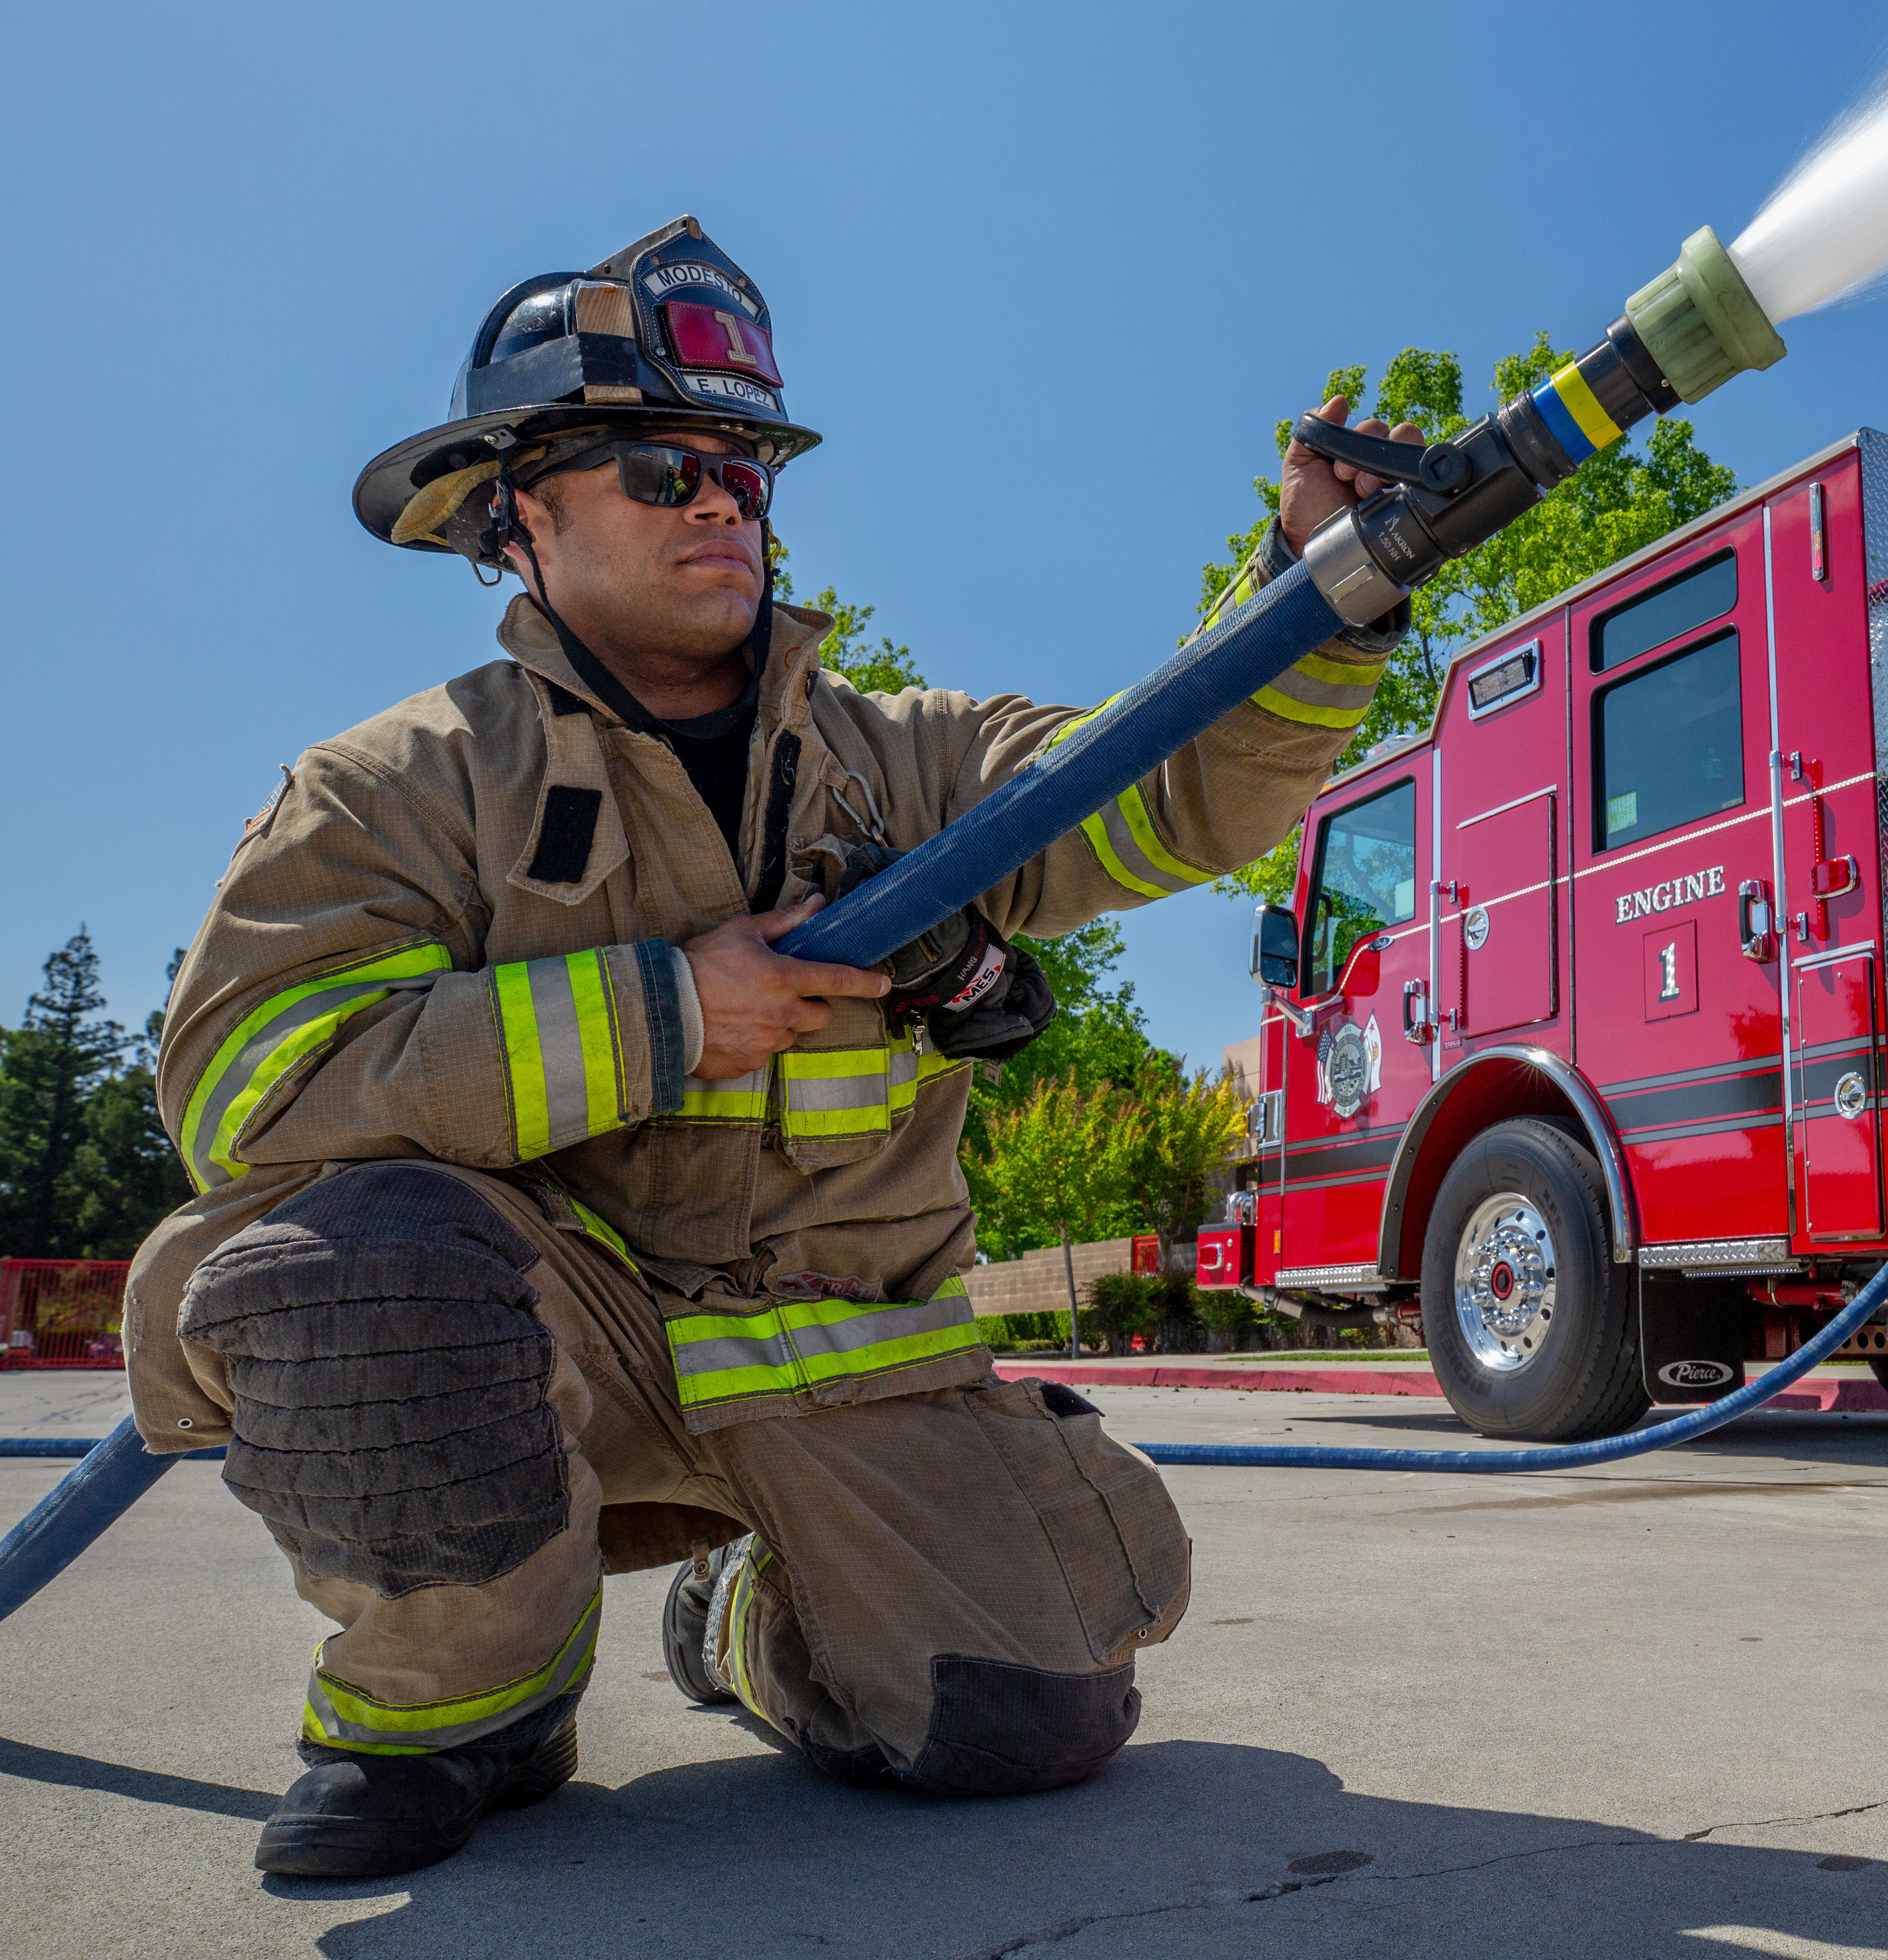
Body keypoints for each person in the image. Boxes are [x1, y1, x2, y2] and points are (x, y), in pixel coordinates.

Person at [121, 216, 1419, 1878]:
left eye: (747, 469)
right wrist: (671, 1011)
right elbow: (250, 1089)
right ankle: (454, 1712)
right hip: (547, 1346)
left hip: (854, 1381)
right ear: (522, 509)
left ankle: (745, 1618)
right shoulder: (400, 789)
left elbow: (1158, 785)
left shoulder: (901, 759)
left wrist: (1325, 592)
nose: (726, 501)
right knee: (329, 1264)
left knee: (1028, 1724)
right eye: (666, 468)